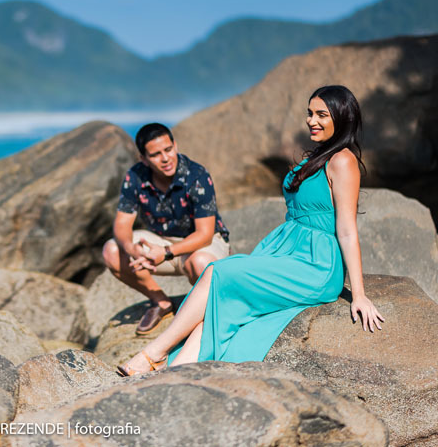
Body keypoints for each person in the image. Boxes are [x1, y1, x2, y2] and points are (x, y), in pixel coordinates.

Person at [117, 85, 385, 375]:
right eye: (309, 113)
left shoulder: (342, 160)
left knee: (218, 272)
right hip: (286, 251)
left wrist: (358, 294)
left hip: (315, 264)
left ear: (341, 118)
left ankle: (154, 353)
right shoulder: (315, 157)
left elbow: (346, 230)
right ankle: (175, 372)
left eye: (321, 114)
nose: (311, 121)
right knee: (221, 303)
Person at [103, 123, 230, 335]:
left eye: (168, 150)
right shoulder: (135, 177)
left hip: (201, 244)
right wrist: (131, 249)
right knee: (112, 251)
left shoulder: (196, 175)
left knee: (200, 263)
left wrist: (166, 253)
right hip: (161, 242)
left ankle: (204, 315)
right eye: (155, 154)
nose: (165, 158)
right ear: (143, 158)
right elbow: (122, 224)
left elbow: (205, 234)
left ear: (175, 145)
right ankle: (160, 302)